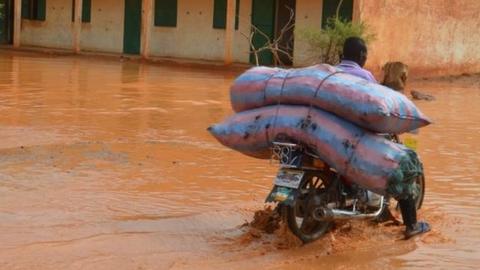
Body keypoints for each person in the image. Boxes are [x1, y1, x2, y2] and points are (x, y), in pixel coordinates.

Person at [337, 36, 430, 239]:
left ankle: (377, 206)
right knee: (407, 166)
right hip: (361, 139)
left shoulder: (331, 72)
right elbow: (409, 134)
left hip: (336, 136)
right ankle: (411, 226)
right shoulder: (384, 90)